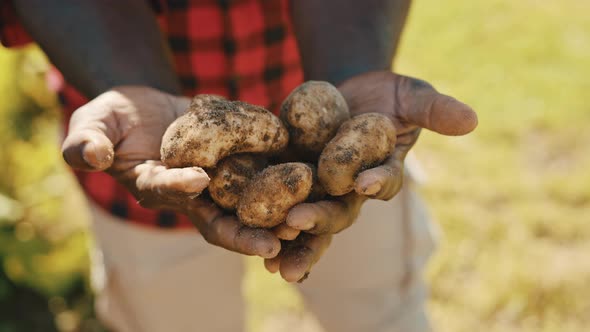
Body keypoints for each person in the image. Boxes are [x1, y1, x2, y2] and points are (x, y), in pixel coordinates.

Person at [1, 1, 477, 331]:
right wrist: (127, 86)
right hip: (139, 144)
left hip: (332, 96)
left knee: (381, 313)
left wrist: (355, 70)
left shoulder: (321, 147)